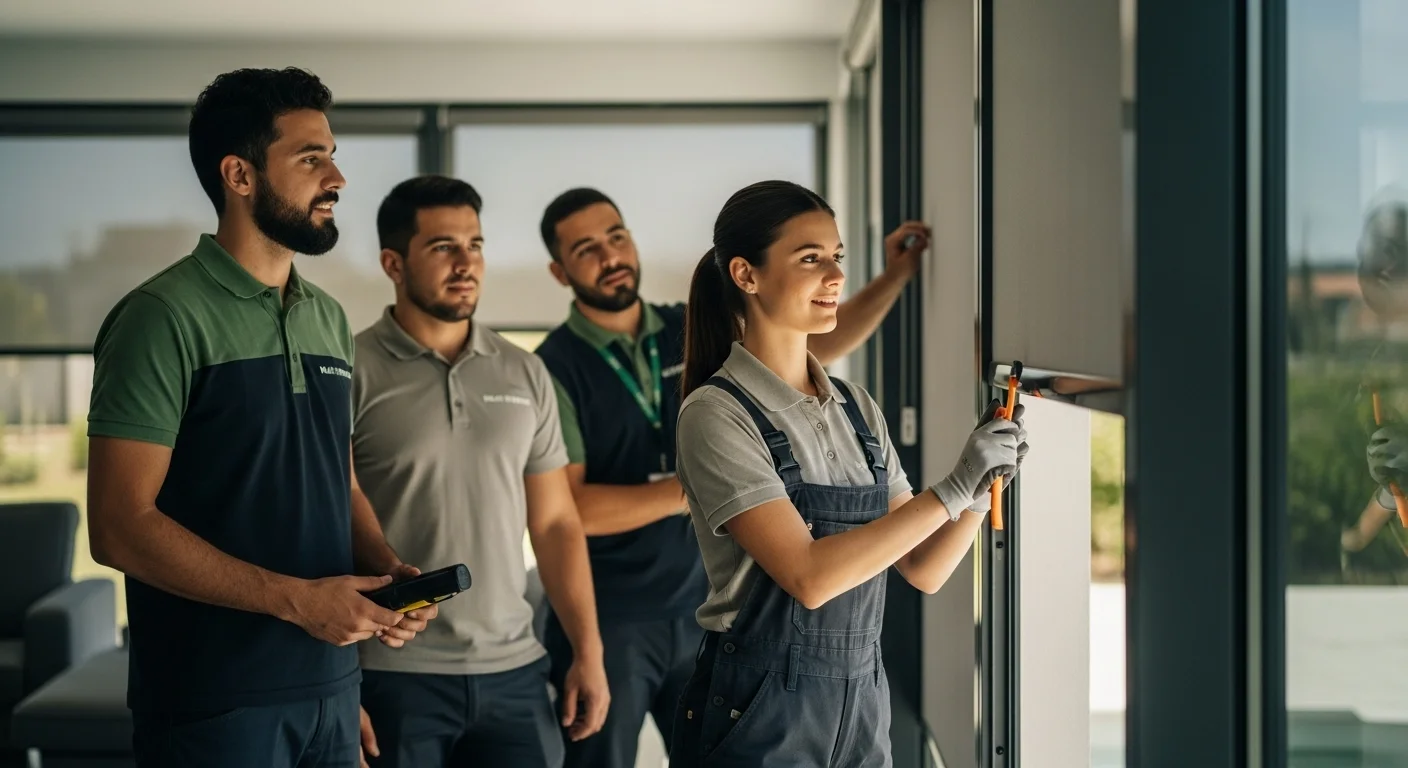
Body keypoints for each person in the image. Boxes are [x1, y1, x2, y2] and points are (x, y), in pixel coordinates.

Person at [85, 67, 434, 768]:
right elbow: (120, 527)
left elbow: (336, 481)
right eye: (311, 158)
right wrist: (297, 600)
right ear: (240, 176)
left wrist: (387, 567)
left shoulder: (327, 318)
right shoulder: (161, 318)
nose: (336, 178)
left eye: (332, 155)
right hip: (211, 704)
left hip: (329, 692)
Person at [533, 186, 934, 767]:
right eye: (587, 248)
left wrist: (898, 274)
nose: (611, 255)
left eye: (616, 235)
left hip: (708, 600)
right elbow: (572, 509)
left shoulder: (683, 325)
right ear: (559, 270)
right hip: (617, 612)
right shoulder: (554, 365)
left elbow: (816, 334)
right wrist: (719, 481)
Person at [668, 180, 1028, 767]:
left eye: (837, 257)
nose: (835, 276)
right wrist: (954, 487)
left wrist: (983, 492)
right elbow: (809, 577)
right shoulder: (716, 413)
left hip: (861, 699)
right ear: (745, 274)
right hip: (756, 710)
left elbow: (923, 567)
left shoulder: (856, 407)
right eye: (810, 259)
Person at [351, 175, 610, 768]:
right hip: (392, 672)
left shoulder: (524, 372)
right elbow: (320, 521)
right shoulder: (350, 368)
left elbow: (555, 526)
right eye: (443, 246)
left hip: (515, 672)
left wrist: (587, 654)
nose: (466, 263)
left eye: (475, 244)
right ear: (394, 262)